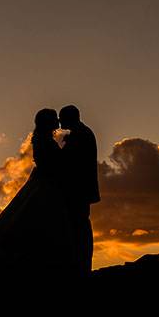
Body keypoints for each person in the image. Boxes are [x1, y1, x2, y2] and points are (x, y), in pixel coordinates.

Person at [0, 108, 77, 276]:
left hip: (44, 183)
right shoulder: (44, 141)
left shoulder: (44, 139)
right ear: (48, 122)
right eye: (54, 118)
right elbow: (51, 163)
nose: (57, 121)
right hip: (45, 186)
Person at [57, 104, 100, 275]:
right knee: (77, 226)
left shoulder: (81, 135)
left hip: (78, 190)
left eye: (62, 118)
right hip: (79, 190)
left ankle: (81, 265)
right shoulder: (80, 133)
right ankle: (79, 264)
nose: (59, 122)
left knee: (79, 226)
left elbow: (71, 163)